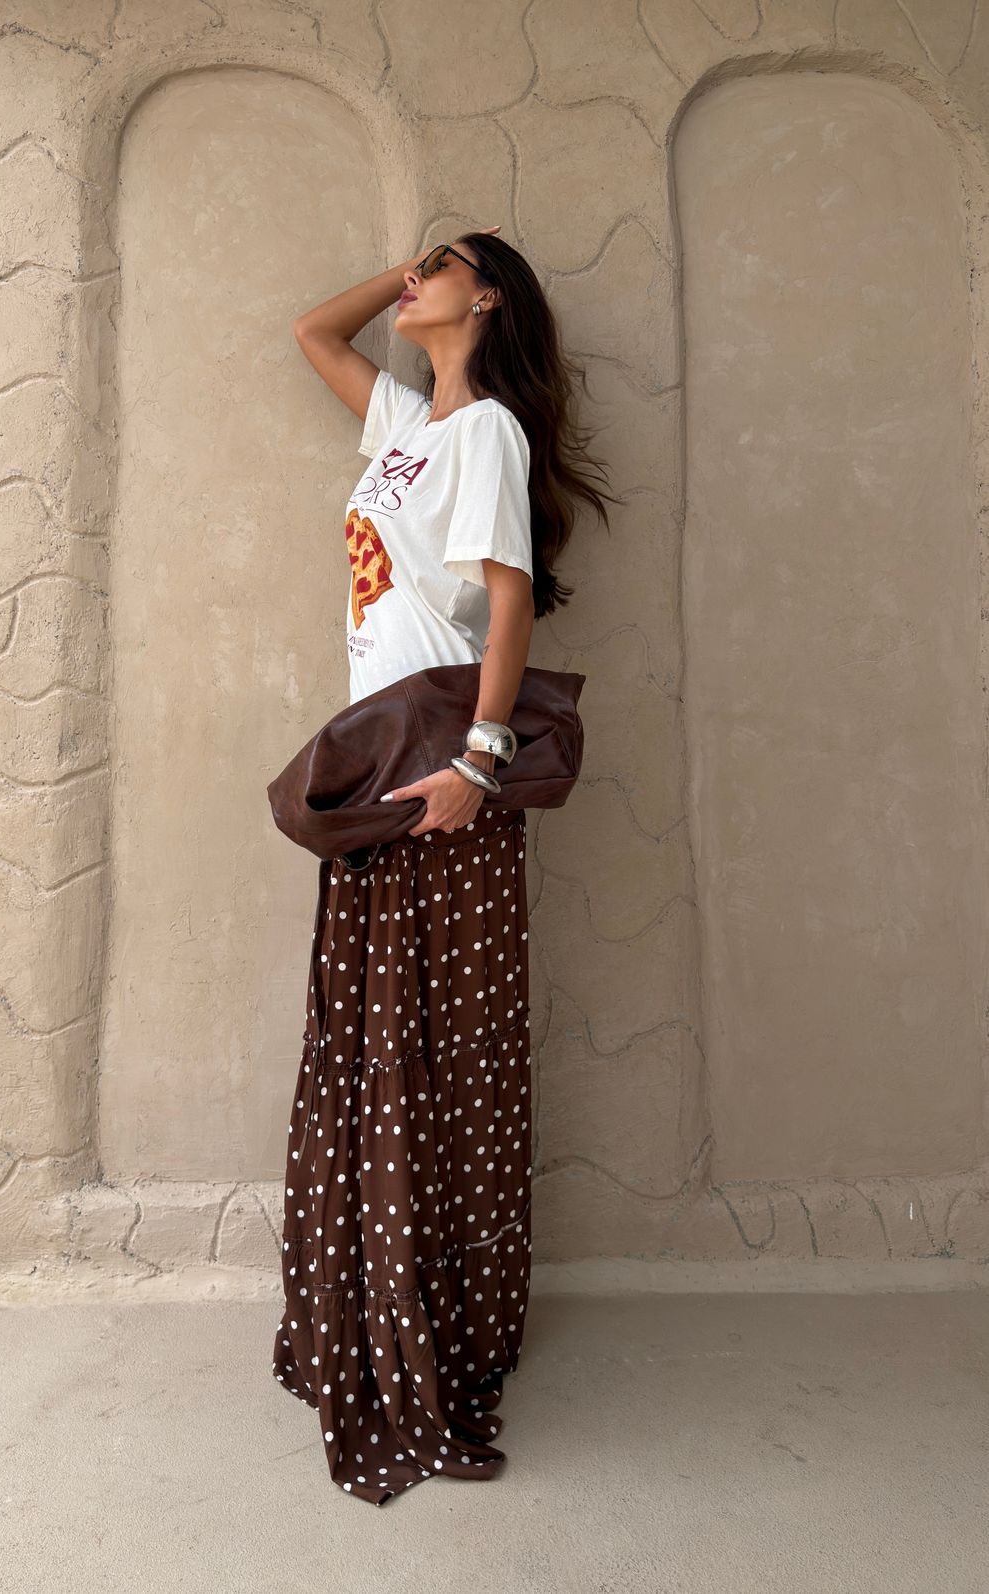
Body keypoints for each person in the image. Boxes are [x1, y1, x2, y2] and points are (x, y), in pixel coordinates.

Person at [272, 229, 618, 1504]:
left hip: (440, 761)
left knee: (441, 1047)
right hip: (379, 755)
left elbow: (506, 596)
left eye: (443, 266)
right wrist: (409, 265)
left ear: (491, 297)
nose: (414, 284)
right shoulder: (410, 425)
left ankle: (445, 1332)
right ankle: (376, 1307)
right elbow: (314, 332)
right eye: (419, 266)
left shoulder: (487, 435)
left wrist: (480, 758)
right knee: (378, 1036)